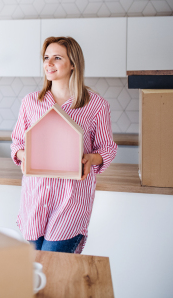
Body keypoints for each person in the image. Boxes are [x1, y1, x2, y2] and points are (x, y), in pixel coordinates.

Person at [10, 36, 117, 254]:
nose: (48, 63)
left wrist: (91, 159)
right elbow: (17, 143)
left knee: (54, 270)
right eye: (46, 57)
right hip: (35, 199)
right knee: (33, 272)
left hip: (72, 201)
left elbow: (107, 148)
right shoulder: (31, 103)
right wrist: (23, 155)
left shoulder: (96, 105)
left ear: (73, 64)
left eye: (57, 58)